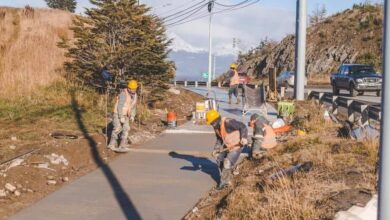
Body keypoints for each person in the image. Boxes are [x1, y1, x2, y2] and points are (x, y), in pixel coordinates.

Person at [206, 110, 248, 190]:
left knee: (227, 162)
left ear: (217, 120)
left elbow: (243, 126)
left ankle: (224, 183)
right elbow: (219, 139)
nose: (212, 125)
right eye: (211, 123)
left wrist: (244, 137)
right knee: (219, 158)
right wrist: (216, 149)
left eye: (212, 123)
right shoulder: (217, 128)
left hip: (237, 146)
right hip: (228, 145)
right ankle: (226, 176)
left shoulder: (228, 122)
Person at [107, 80, 138, 153]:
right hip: (118, 114)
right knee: (117, 128)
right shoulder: (123, 94)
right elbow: (119, 106)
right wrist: (121, 117)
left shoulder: (135, 96)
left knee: (126, 129)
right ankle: (111, 145)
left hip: (126, 115)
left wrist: (132, 116)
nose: (134, 90)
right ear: (129, 88)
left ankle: (122, 145)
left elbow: (133, 107)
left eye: (135, 89)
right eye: (132, 89)